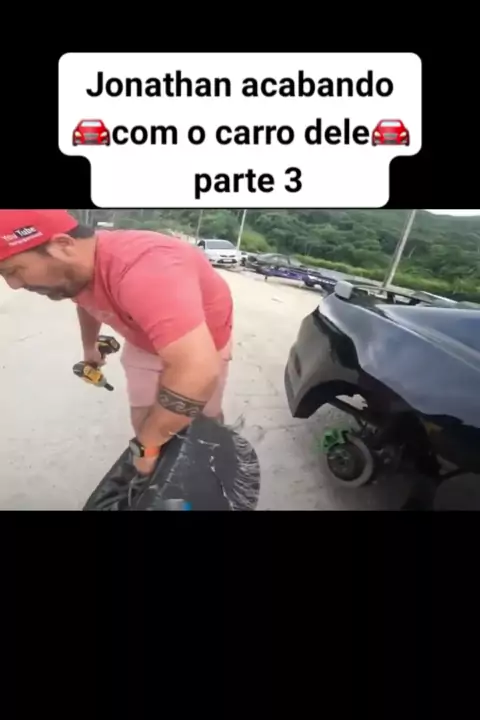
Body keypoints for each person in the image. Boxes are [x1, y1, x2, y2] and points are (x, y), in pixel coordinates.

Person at [0, 210, 233, 476]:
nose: (13, 285)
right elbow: (85, 301)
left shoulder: (147, 270)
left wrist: (146, 447)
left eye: (13, 270)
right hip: (143, 340)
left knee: (204, 423)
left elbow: (197, 369)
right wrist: (90, 347)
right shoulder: (77, 269)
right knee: (146, 421)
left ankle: (216, 466)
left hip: (204, 343)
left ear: (63, 245)